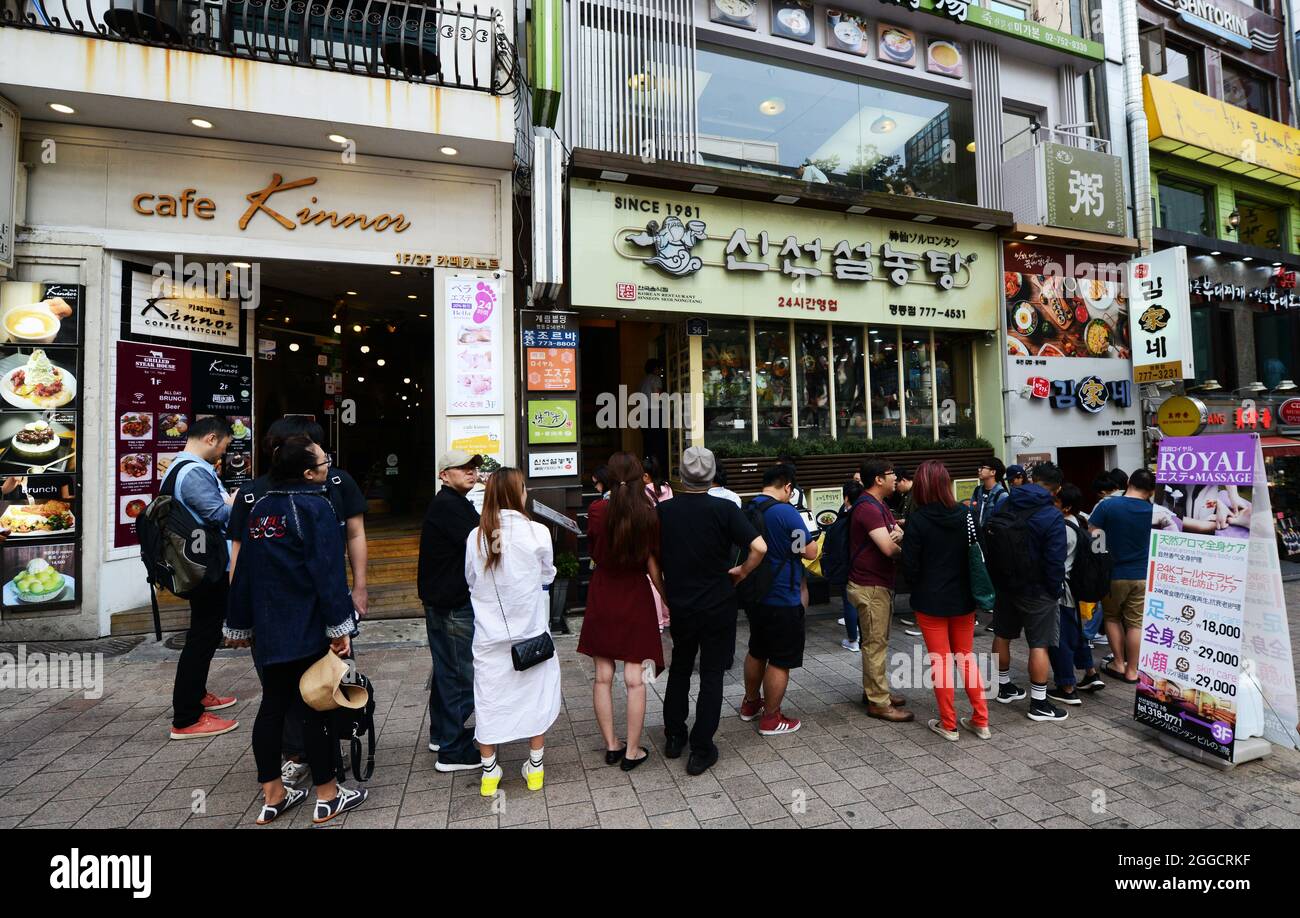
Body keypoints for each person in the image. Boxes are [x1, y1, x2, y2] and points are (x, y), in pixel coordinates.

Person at [223, 436, 368, 824]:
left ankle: (273, 796)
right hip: (306, 626)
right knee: (314, 710)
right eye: (324, 461)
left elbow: (246, 572)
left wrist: (239, 624)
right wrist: (340, 628)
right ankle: (328, 795)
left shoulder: (261, 508)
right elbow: (327, 573)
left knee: (272, 707)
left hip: (270, 629)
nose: (328, 465)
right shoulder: (313, 507)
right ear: (308, 473)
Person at [658, 446, 765, 776]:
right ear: (712, 474)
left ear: (682, 475)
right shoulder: (725, 508)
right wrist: (742, 573)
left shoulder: (664, 510)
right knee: (712, 674)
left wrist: (664, 590)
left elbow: (650, 554)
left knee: (680, 667)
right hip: (719, 601)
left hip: (681, 602)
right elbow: (759, 547)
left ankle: (675, 737)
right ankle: (701, 749)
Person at [465, 468, 561, 796]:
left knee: (489, 703)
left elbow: (471, 581)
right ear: (518, 494)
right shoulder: (538, 533)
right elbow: (548, 574)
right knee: (535, 698)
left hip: (489, 639)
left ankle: (490, 773)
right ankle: (535, 767)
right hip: (532, 637)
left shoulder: (475, 537)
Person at [578, 453, 665, 771]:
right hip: (636, 595)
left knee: (602, 676)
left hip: (603, 592)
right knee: (635, 680)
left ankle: (612, 746)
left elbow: (593, 547)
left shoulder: (597, 510)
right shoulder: (648, 513)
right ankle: (632, 752)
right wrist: (667, 598)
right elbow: (654, 565)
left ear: (610, 479)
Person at [900, 460, 990, 741]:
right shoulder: (965, 514)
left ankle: (949, 724)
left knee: (940, 662)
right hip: (964, 599)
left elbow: (909, 566)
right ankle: (981, 721)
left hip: (930, 601)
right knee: (966, 658)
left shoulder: (918, 520)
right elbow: (979, 555)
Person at [167, 416, 240, 741]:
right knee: (202, 635)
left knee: (205, 634)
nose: (223, 454)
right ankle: (186, 717)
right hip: (205, 566)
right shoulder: (194, 472)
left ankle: (196, 696)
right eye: (224, 446)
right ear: (212, 438)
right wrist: (235, 502)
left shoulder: (179, 466)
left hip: (199, 563)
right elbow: (218, 514)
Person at [417, 450, 483, 772]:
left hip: (442, 601)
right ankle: (453, 750)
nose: (471, 472)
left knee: (446, 670)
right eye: (463, 468)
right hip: (453, 604)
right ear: (444, 474)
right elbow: (485, 544)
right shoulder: (450, 506)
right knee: (460, 673)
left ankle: (442, 735)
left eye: (473, 467)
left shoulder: (452, 504)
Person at [739, 466, 817, 736]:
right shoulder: (785, 512)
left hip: (754, 594)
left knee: (757, 650)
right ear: (787, 487)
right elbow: (807, 550)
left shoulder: (748, 508)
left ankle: (750, 704)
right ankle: (771, 718)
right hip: (783, 594)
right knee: (781, 659)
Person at [988, 461, 1069, 722]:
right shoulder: (1051, 515)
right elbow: (1055, 560)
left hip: (1005, 583)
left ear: (1032, 479)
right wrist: (1054, 589)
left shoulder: (1007, 502)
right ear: (1056, 490)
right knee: (1039, 644)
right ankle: (1039, 702)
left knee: (1002, 634)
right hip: (1037, 589)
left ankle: (1003, 686)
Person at [847, 458, 912, 723]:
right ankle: (878, 702)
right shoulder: (869, 508)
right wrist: (902, 547)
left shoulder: (878, 504)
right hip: (871, 585)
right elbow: (888, 547)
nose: (895, 478)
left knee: (876, 642)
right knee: (875, 644)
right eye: (891, 474)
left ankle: (875, 690)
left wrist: (896, 534)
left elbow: (894, 531)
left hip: (877, 583)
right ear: (878, 479)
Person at [1088, 468, 1156, 685]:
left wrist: (1101, 556)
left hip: (1113, 574)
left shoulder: (1108, 505)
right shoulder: (1154, 511)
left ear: (1128, 482)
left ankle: (1118, 662)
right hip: (1143, 575)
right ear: (1152, 490)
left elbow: (1094, 531)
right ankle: (1133, 671)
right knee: (1136, 623)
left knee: (1112, 617)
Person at [1046, 484, 1105, 706]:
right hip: (1080, 590)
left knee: (1060, 638)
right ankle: (1090, 673)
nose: (1051, 504)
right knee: (1077, 633)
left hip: (1064, 592)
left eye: (1055, 502)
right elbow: (1100, 548)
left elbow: (1056, 564)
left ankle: (1067, 686)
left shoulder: (1062, 529)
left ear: (1066, 507)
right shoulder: (1083, 521)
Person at [643, 455, 673, 630]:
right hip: (668, 535)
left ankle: (658, 621)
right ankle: (668, 616)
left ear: (646, 476)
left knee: (652, 579)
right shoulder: (667, 487)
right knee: (665, 575)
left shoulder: (643, 492)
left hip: (652, 536)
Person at [836, 479, 865, 652]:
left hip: (847, 563)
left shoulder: (844, 515)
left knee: (849, 601)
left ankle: (853, 639)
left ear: (846, 498)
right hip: (864, 564)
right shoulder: (867, 511)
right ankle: (865, 637)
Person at [639, 358, 668, 473]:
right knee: (659, 443)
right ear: (655, 369)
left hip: (643, 413)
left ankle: (646, 471)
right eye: (659, 368)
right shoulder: (655, 379)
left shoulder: (643, 381)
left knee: (648, 444)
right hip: (655, 412)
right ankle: (660, 471)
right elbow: (657, 396)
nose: (661, 371)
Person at [970, 458, 1009, 539]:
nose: (979, 470)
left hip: (993, 540)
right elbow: (971, 512)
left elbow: (1003, 522)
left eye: (983, 467)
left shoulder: (1002, 495)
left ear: (993, 472)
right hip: (977, 537)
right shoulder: (977, 490)